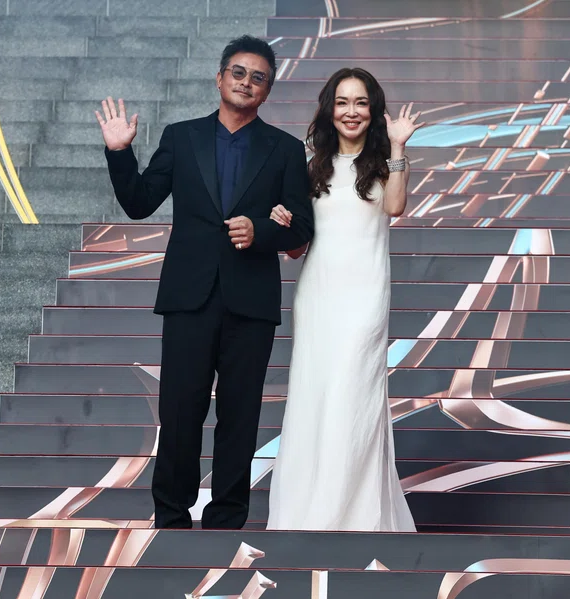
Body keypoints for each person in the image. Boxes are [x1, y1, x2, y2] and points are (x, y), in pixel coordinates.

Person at [94, 35, 314, 529]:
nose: (246, 82)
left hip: (250, 304)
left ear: (268, 90)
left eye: (258, 77)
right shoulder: (182, 136)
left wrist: (261, 233)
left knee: (240, 419)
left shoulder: (284, 149)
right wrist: (119, 153)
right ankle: (170, 516)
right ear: (219, 78)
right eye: (238, 72)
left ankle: (227, 518)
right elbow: (139, 202)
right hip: (189, 298)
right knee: (179, 413)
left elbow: (301, 227)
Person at [265, 68, 424, 531]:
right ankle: (307, 516)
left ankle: (352, 519)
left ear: (372, 109)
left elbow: (395, 208)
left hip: (365, 296)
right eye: (342, 102)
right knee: (317, 398)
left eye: (360, 102)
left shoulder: (386, 163)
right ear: (329, 110)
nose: (351, 111)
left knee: (353, 396)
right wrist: (282, 222)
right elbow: (297, 248)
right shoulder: (311, 165)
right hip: (318, 295)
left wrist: (397, 147)